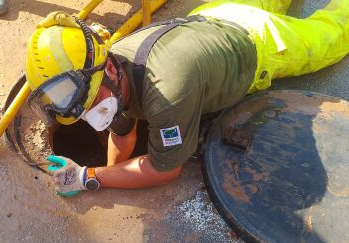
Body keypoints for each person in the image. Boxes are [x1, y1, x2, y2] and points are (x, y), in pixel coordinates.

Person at [24, 0, 349, 196]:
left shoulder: (167, 96)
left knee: (332, 34)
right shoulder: (111, 75)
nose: (91, 115)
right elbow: (122, 132)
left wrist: (87, 178)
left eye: (92, 104)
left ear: (109, 67)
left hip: (259, 43)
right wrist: (110, 172)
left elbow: (165, 170)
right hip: (214, 16)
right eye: (81, 113)